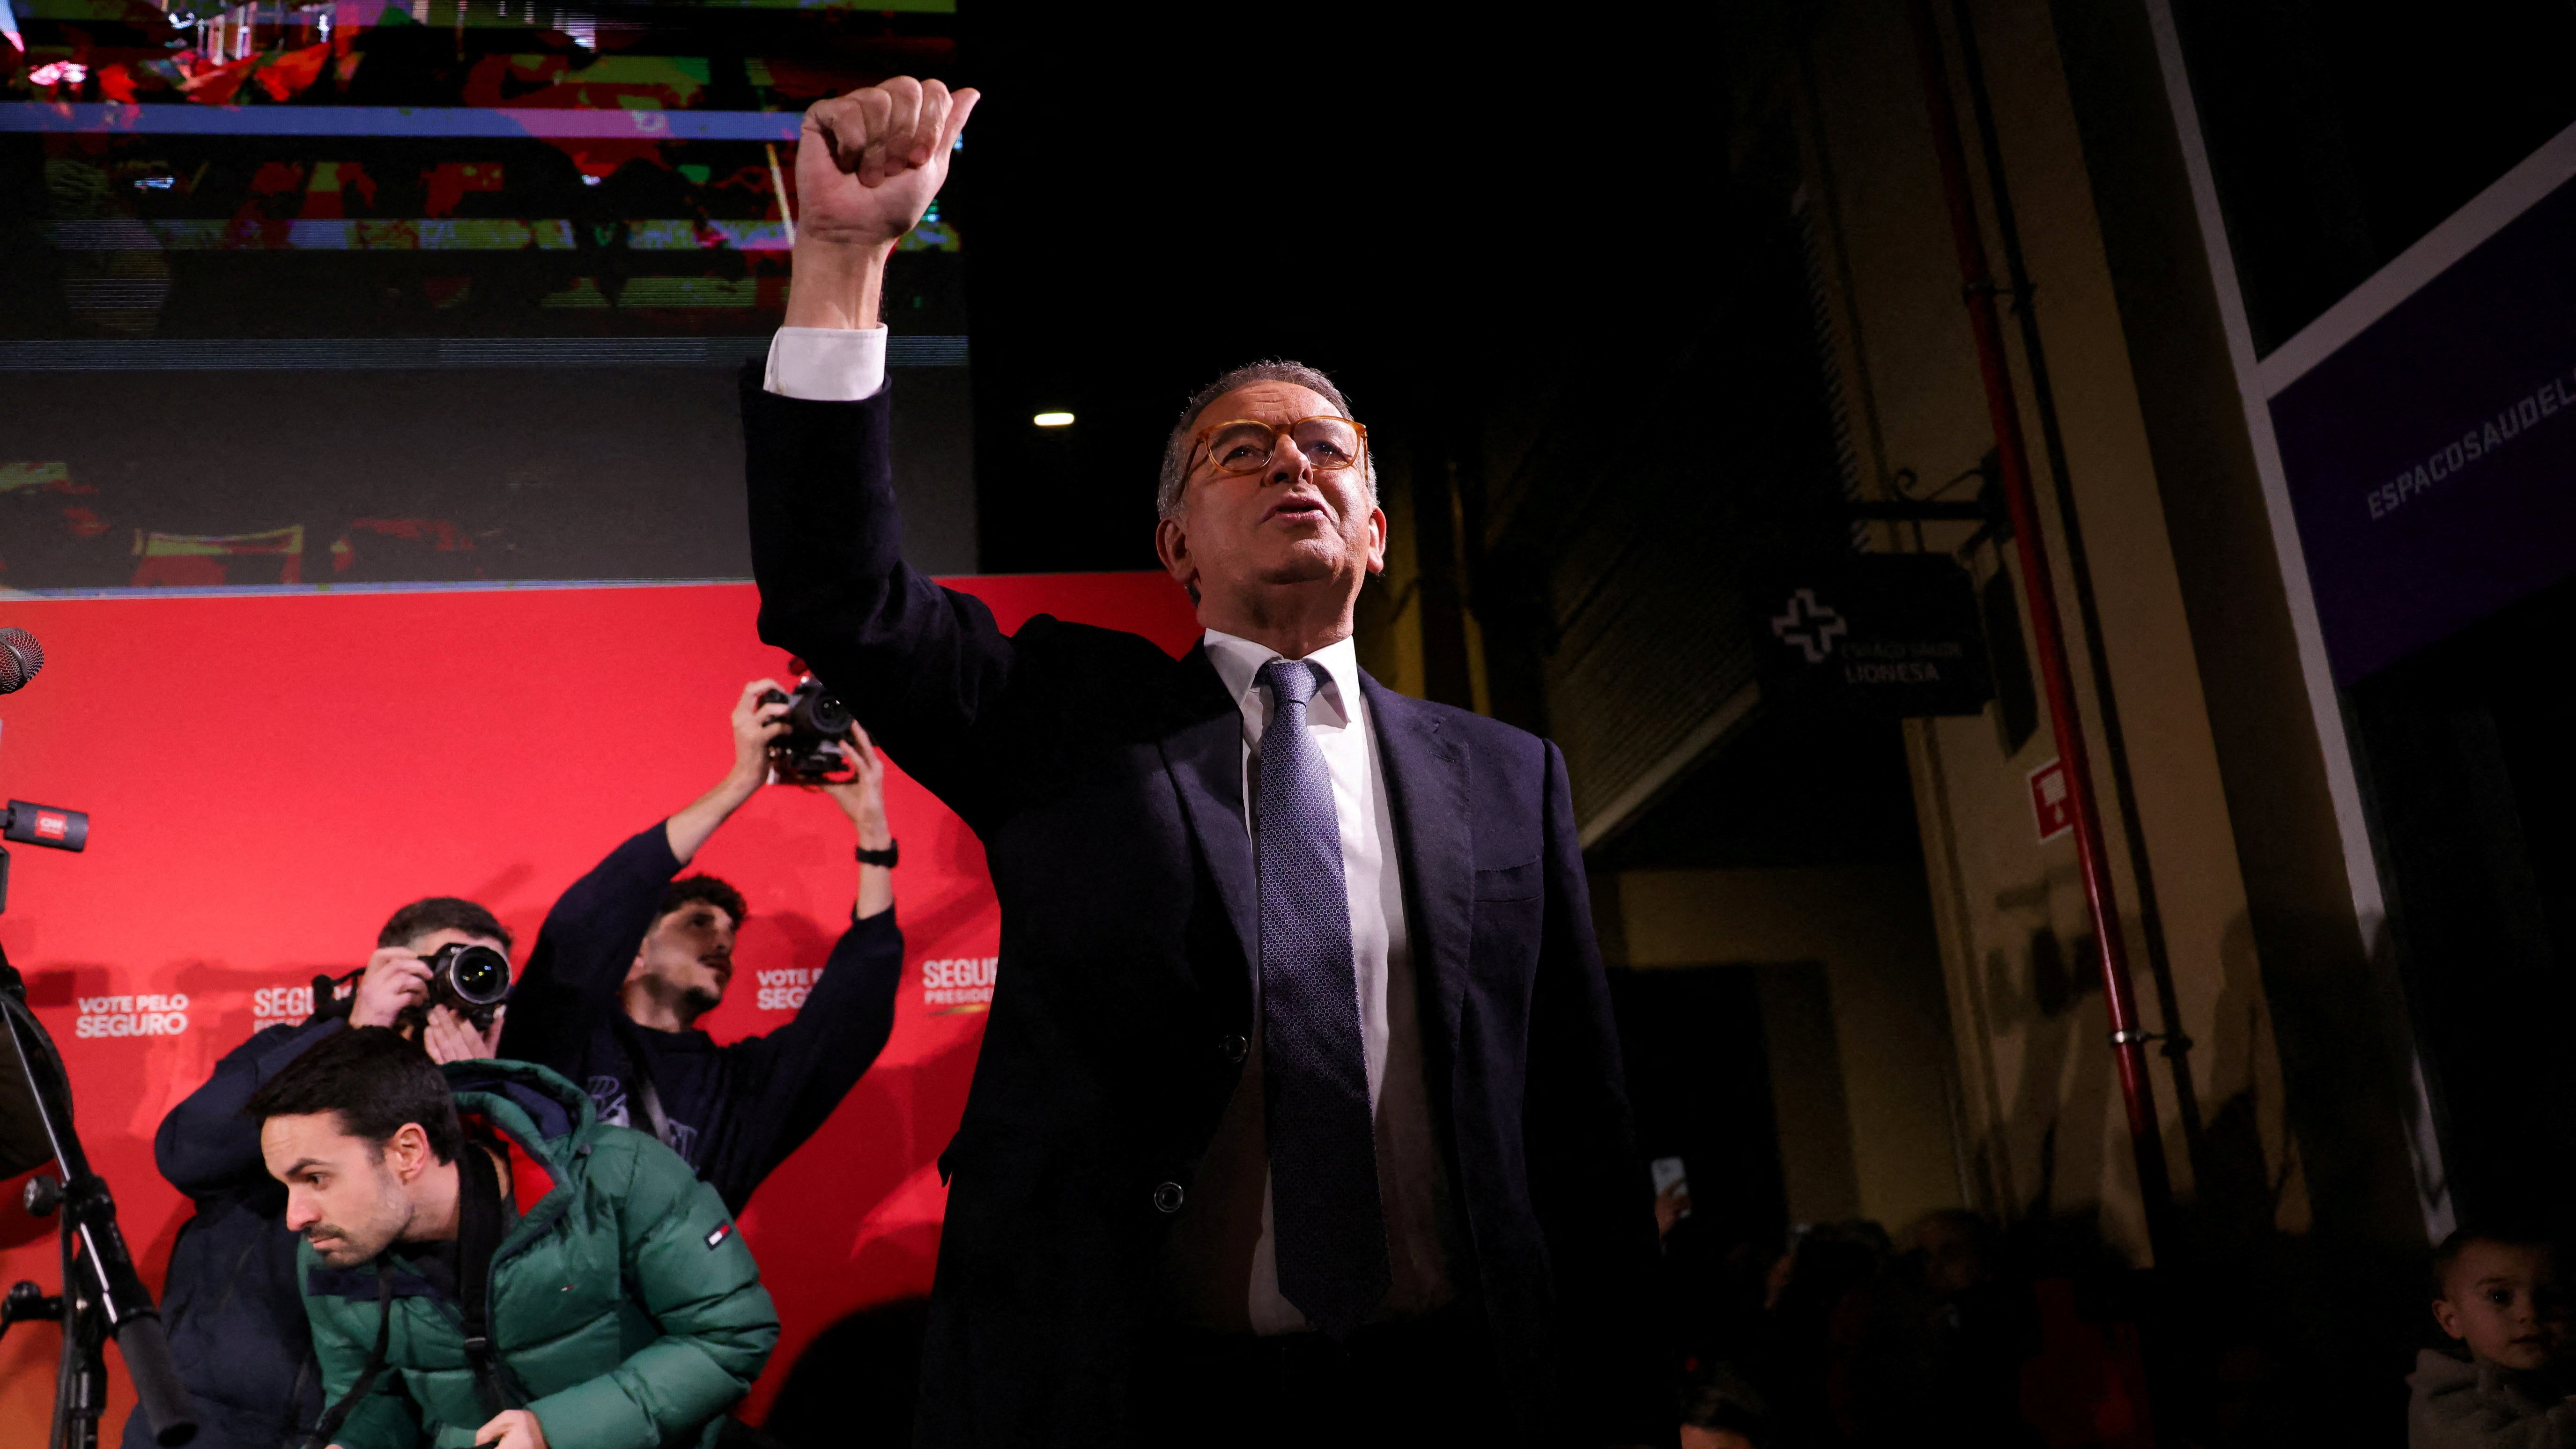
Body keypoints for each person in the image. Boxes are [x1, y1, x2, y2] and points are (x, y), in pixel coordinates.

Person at [741, 76, 1664, 1446]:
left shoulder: (1505, 774)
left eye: (1325, 448)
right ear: (1174, 547)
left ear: (1376, 528)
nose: (1290, 460)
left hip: (1454, 1392)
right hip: (1139, 1393)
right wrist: (843, 259)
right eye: (1242, 451)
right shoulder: (1063, 715)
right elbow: (840, 590)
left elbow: (1576, 1137)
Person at [247, 1025, 778, 1449]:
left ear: (407, 1152)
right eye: (287, 1186)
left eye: (316, 1178)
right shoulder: (331, 1251)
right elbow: (374, 1398)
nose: (297, 1216)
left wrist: (554, 1431)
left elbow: (730, 1334)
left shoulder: (620, 1176)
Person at [496, 678, 905, 1212]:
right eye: (697, 924)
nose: (722, 942)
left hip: (680, 1297)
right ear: (634, 951)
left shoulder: (738, 1086)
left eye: (731, 934)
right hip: (561, 1290)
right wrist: (741, 782)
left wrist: (873, 834)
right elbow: (587, 924)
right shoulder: (566, 1038)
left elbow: (855, 1012)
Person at [126, 897, 512, 1449]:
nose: (459, 992)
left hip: (360, 1426)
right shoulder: (295, 1047)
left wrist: (477, 1094)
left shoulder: (496, 1105)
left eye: (482, 979)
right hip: (209, 1416)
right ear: (388, 970)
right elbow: (187, 1151)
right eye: (441, 970)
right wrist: (351, 1032)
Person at [2408, 1227, 2575, 1448]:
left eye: (2549, 1296)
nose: (2530, 1313)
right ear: (2451, 1320)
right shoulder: (2445, 1402)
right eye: (2500, 1297)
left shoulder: (2552, 1369)